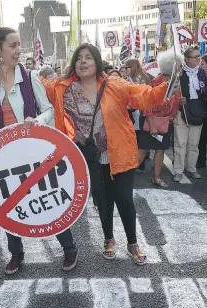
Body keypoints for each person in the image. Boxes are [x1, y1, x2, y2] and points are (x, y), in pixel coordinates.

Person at [42, 43, 169, 265]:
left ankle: (133, 243)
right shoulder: (63, 88)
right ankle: (109, 239)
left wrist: (167, 86)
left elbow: (143, 96)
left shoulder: (114, 84)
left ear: (97, 62)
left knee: (124, 199)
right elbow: (37, 85)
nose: (83, 61)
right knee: (103, 200)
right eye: (79, 58)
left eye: (88, 57)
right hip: (90, 157)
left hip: (119, 152)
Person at [0, 27, 78, 274]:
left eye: (18, 45)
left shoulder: (31, 76)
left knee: (47, 198)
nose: (18, 51)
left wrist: (36, 121)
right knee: (8, 202)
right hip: (4, 155)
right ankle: (16, 253)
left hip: (33, 150)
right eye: (12, 46)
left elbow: (49, 111)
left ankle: (69, 248)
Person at [138, 49, 182, 189]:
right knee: (143, 150)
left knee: (160, 150)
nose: (181, 68)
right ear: (172, 66)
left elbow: (175, 101)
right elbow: (147, 106)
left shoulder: (175, 82)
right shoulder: (155, 82)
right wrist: (152, 125)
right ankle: (125, 175)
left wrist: (181, 101)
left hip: (165, 123)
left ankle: (156, 177)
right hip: (152, 122)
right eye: (179, 65)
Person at [173, 46, 207, 181]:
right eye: (195, 57)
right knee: (180, 142)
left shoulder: (201, 72)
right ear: (187, 59)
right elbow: (171, 91)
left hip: (197, 110)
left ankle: (192, 167)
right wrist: (178, 98)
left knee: (194, 143)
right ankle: (178, 170)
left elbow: (204, 92)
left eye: (198, 56)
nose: (198, 59)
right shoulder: (178, 72)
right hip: (181, 110)